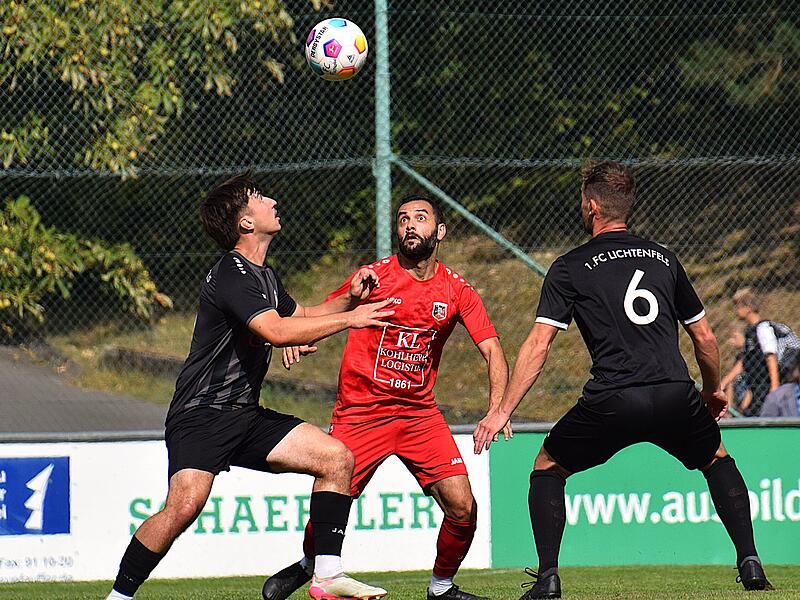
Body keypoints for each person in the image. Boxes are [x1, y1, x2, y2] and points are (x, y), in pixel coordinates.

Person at [473, 161, 771, 598]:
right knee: (717, 459)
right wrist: (712, 390)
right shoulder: (663, 258)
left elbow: (539, 345)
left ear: (592, 206)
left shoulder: (570, 266)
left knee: (547, 466)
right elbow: (704, 337)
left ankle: (549, 578)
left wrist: (502, 411)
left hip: (614, 398)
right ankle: (750, 560)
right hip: (673, 392)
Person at [106, 172, 395, 600]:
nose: (272, 201)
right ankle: (120, 596)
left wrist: (350, 297)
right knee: (184, 506)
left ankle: (328, 574)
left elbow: (303, 316)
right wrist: (352, 320)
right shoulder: (231, 272)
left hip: (244, 414)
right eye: (260, 198)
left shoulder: (265, 276)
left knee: (336, 458)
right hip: (202, 413)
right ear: (246, 223)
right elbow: (278, 331)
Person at [263, 195, 511, 600]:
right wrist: (297, 338)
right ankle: (313, 563)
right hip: (361, 412)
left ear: (440, 232)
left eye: (420, 218)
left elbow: (493, 349)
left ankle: (441, 588)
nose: (410, 225)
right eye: (403, 220)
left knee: (463, 507)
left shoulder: (456, 290)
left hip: (419, 415)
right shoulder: (373, 277)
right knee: (332, 495)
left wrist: (498, 409)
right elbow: (327, 312)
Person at [725, 288, 781, 416]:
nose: (735, 311)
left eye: (737, 307)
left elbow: (770, 356)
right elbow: (744, 361)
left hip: (766, 388)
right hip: (755, 388)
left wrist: (774, 387)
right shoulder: (749, 332)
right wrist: (723, 383)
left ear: (749, 307)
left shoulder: (763, 328)